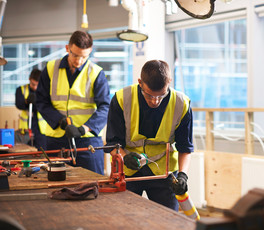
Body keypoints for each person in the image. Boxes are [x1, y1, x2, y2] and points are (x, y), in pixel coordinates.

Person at [106, 60, 194, 210]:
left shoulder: (181, 104)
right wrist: (124, 157)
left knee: (168, 221)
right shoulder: (122, 99)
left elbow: (185, 147)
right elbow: (112, 143)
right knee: (124, 220)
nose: (155, 101)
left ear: (169, 82)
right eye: (149, 95)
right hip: (126, 171)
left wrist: (183, 176)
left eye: (161, 95)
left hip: (163, 173)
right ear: (140, 82)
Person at [36, 30, 110, 175]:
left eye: (84, 56)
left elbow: (105, 107)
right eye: (75, 55)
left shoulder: (96, 73)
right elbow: (41, 101)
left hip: (87, 141)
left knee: (92, 184)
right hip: (56, 138)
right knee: (55, 184)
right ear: (67, 48)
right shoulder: (51, 68)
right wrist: (60, 121)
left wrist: (84, 128)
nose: (78, 61)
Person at [15, 69, 46, 150]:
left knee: (41, 151)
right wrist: (26, 102)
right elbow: (19, 104)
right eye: (33, 84)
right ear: (29, 79)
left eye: (37, 85)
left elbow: (45, 106)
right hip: (25, 128)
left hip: (41, 129)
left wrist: (36, 103)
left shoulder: (45, 91)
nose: (35, 87)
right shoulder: (21, 89)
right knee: (25, 151)